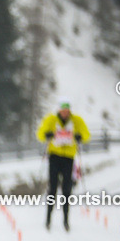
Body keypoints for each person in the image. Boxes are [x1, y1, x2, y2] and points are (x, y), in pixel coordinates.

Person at [36, 97, 90, 231]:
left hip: (69, 158)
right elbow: (40, 134)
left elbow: (86, 134)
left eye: (67, 110)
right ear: (59, 110)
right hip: (54, 156)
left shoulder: (76, 120)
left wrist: (80, 136)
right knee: (52, 188)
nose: (65, 113)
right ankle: (48, 219)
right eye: (63, 110)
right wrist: (47, 135)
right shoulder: (51, 119)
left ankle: (66, 220)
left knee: (67, 189)